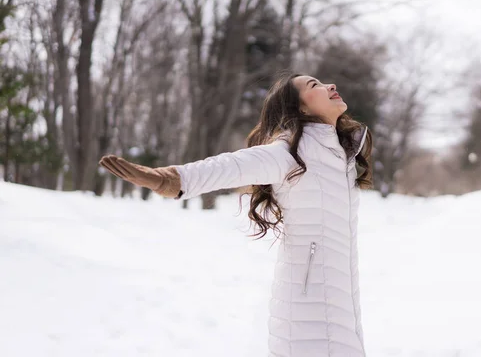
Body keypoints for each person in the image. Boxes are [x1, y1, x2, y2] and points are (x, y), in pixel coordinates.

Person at [99, 71, 373, 357]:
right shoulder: (289, 153)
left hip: (341, 307)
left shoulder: (342, 156)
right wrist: (170, 179)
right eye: (314, 85)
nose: (331, 85)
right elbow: (231, 166)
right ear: (301, 108)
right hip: (309, 311)